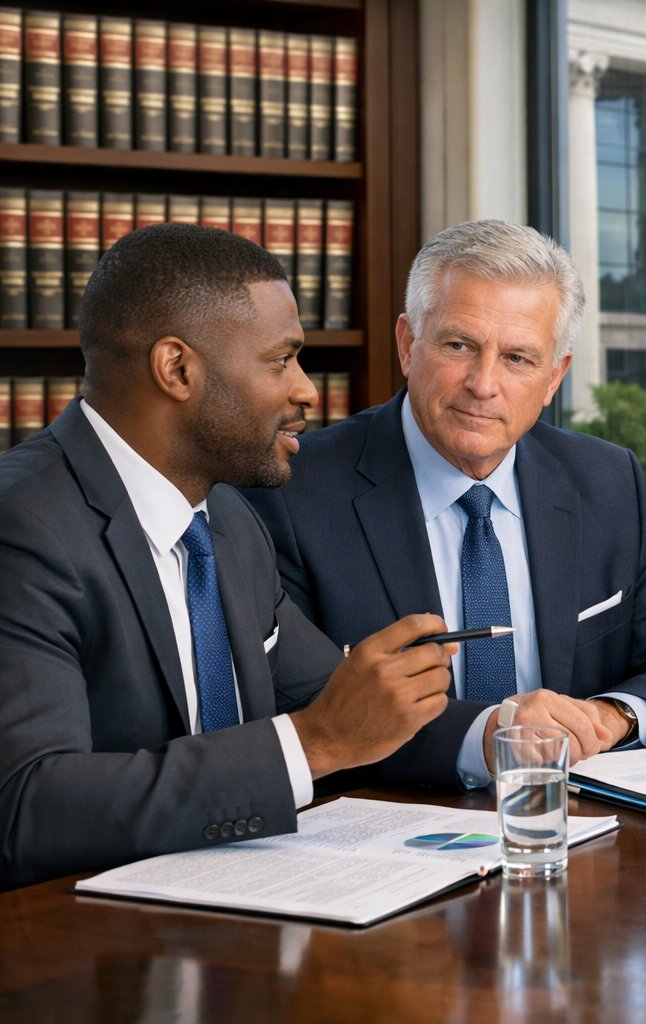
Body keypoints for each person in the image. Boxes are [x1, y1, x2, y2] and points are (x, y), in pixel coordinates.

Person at [0, 224, 494, 890]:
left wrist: (507, 735)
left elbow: (340, 704)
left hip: (234, 921)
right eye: (280, 359)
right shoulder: (22, 526)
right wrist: (314, 743)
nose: (306, 391)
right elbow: (28, 805)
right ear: (177, 369)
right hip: (76, 953)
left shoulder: (228, 517)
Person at [244, 220, 646, 765]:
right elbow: (301, 705)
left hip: (582, 817)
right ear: (408, 345)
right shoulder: (291, 490)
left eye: (518, 358)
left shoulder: (606, 479)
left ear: (554, 377)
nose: (483, 383)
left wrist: (608, 717)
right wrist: (493, 735)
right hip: (388, 823)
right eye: (459, 345)